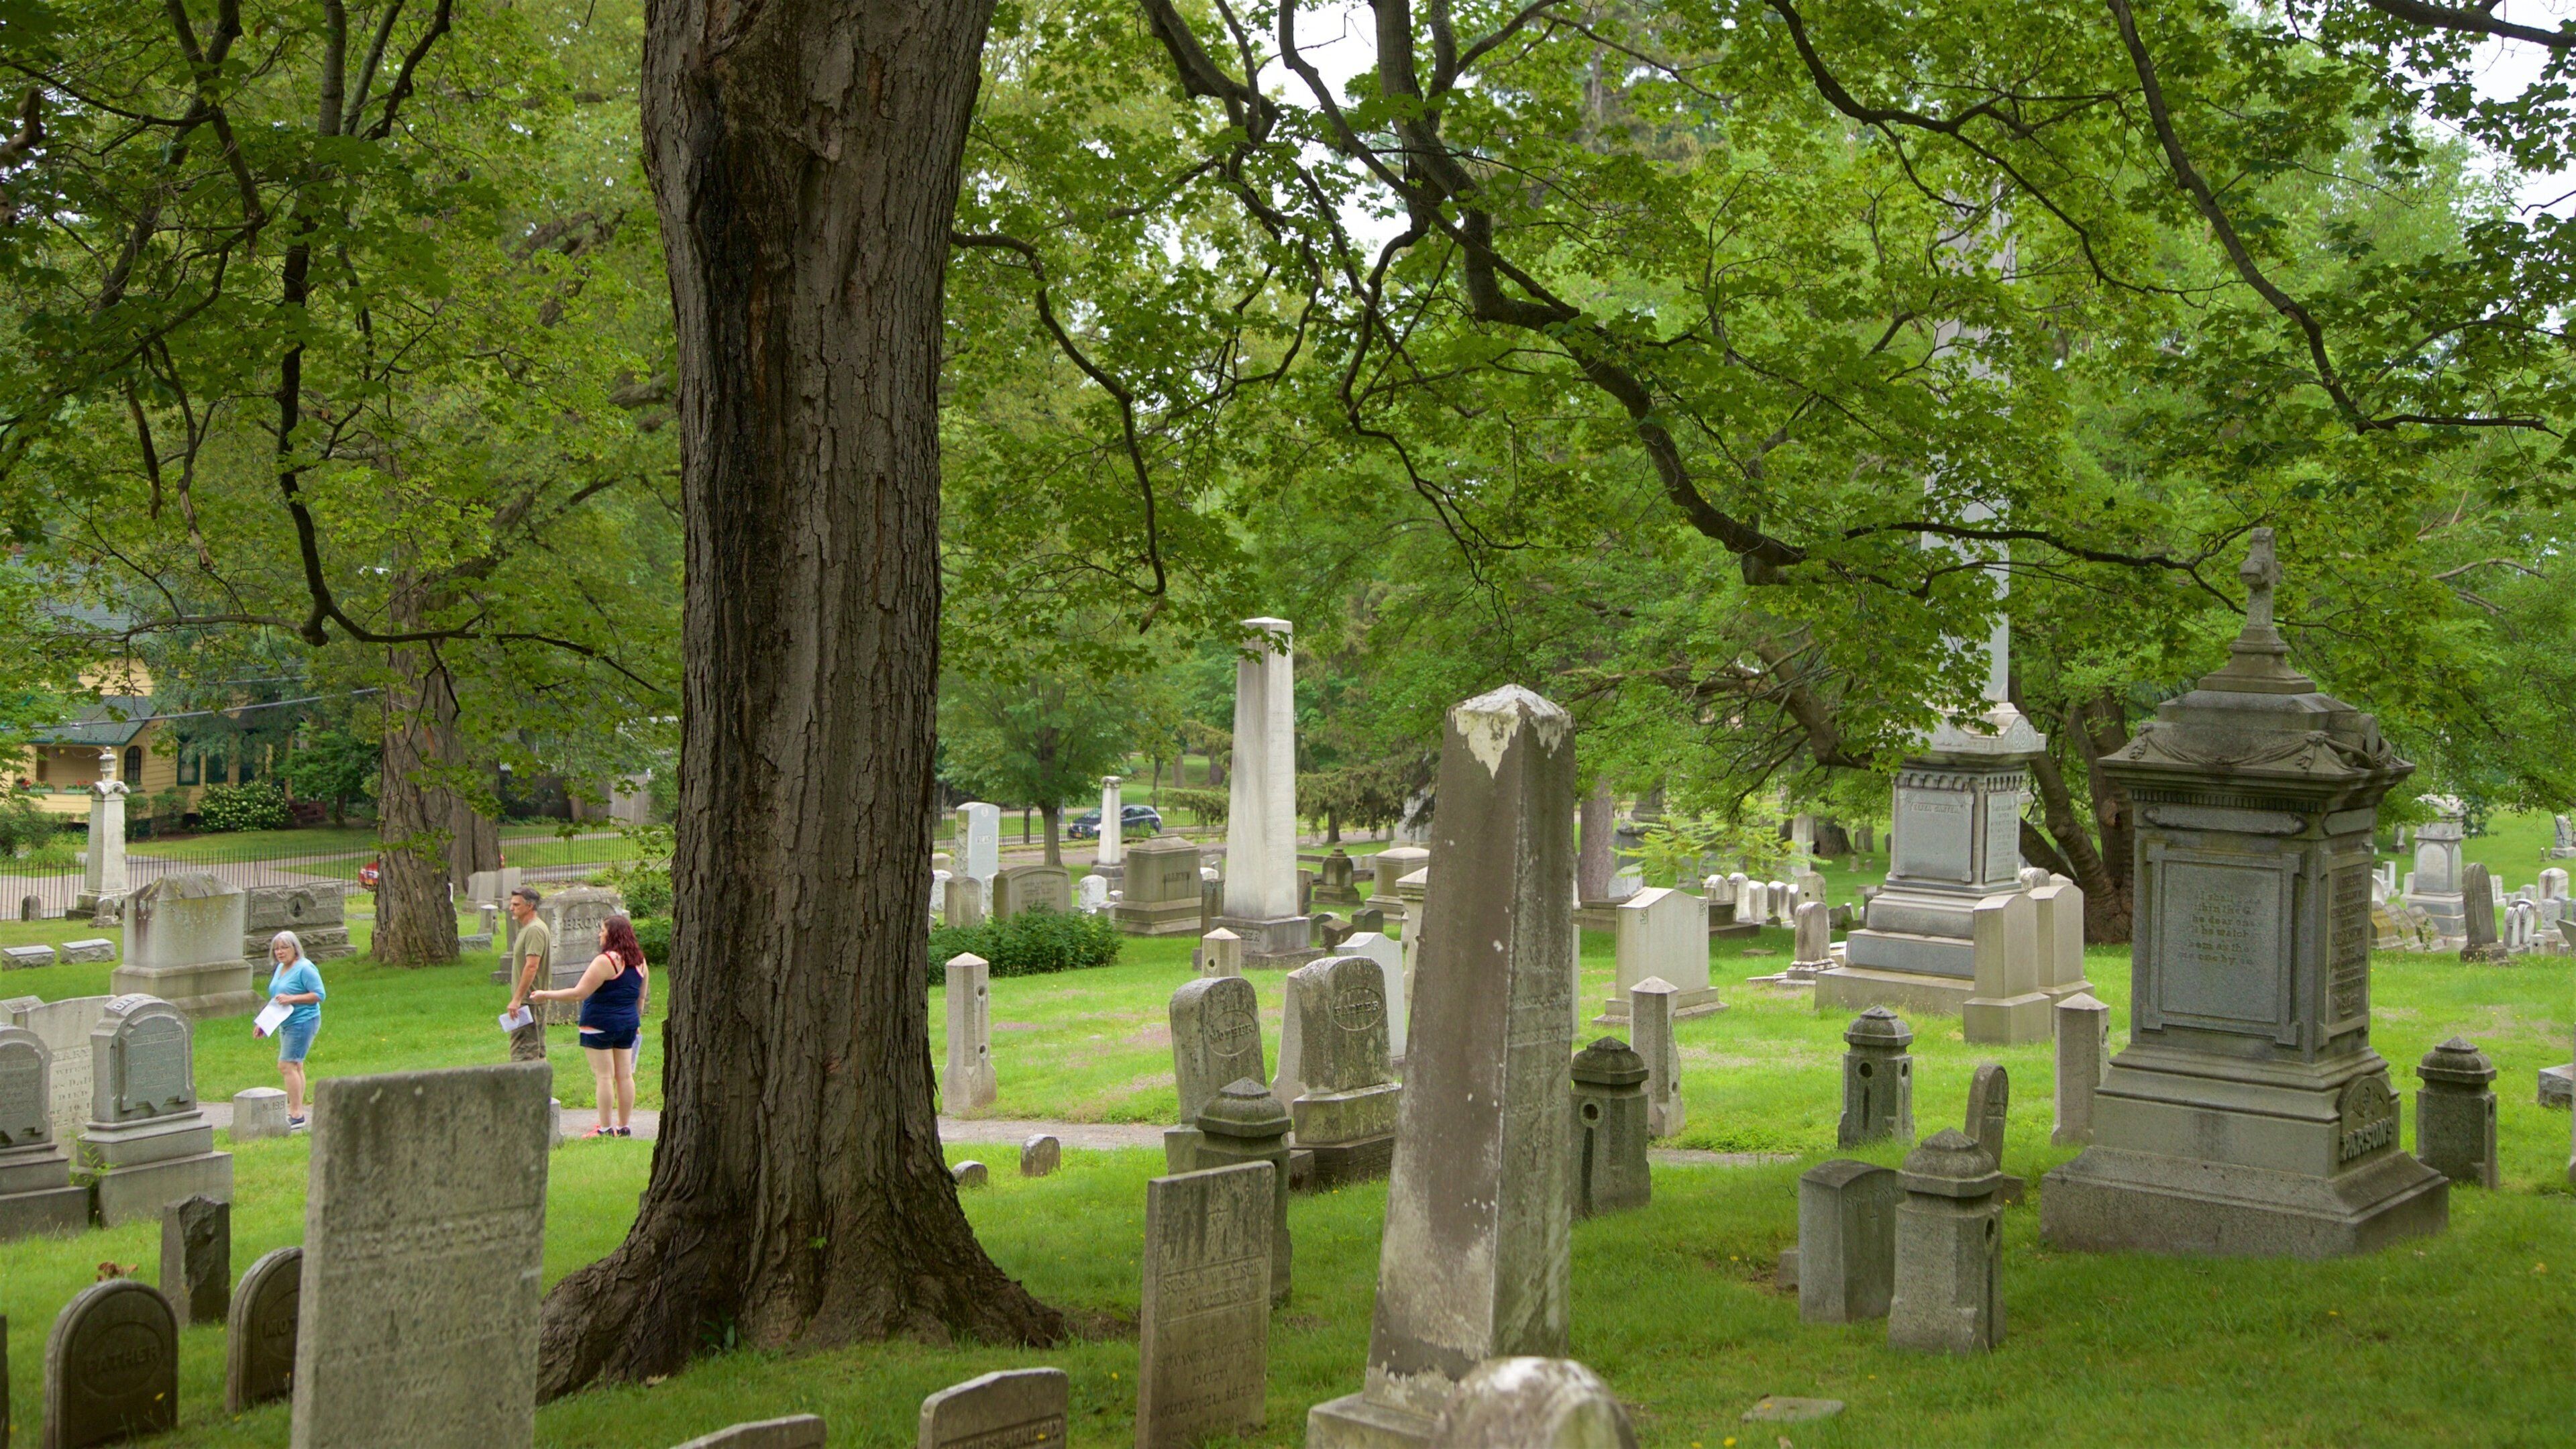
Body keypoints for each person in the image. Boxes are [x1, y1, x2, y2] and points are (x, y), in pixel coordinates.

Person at [530, 914, 649, 1138]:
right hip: (628, 1025)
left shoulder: (606, 961)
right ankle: (624, 1127)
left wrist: (545, 995)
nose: (600, 934)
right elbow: (641, 997)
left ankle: (604, 1128)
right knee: (624, 1076)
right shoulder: (640, 961)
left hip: (599, 1024)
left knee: (604, 1076)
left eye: (603, 930)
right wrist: (635, 1021)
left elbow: (579, 993)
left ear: (612, 934)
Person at [264, 930, 327, 1130]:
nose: (280, 952)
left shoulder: (305, 968)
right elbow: (277, 997)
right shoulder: (281, 968)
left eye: (285, 948)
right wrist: (264, 1024)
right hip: (285, 1021)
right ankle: (296, 1110)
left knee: (286, 1065)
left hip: (303, 1021)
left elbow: (319, 995)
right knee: (296, 1066)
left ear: (295, 948)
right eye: (277, 949)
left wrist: (292, 999)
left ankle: (297, 1114)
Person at [503, 885, 553, 1062]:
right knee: (536, 1051)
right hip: (529, 1001)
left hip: (528, 1002)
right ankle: (541, 1089)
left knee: (524, 1053)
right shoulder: (529, 929)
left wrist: (517, 999)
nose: (511, 908)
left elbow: (532, 966)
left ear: (530, 906)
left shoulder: (534, 930)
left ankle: (527, 1089)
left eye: (516, 904)